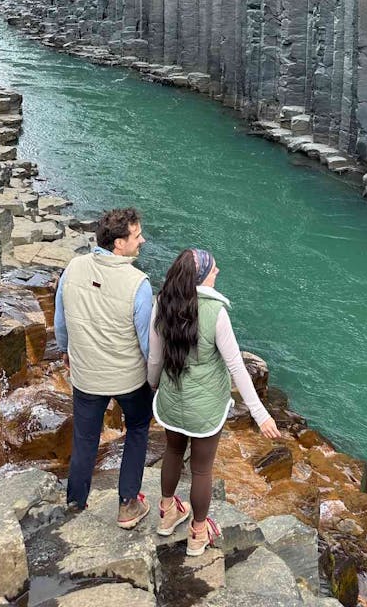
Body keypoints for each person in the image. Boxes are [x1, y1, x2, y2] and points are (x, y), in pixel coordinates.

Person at [148, 248, 281, 556]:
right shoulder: (216, 312)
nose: (218, 271)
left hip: (171, 399)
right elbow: (236, 366)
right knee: (201, 471)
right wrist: (261, 414)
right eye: (213, 268)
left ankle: (166, 514)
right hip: (205, 409)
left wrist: (153, 386)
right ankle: (197, 533)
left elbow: (155, 357)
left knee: (172, 451)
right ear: (201, 276)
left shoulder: (162, 303)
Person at [54, 206, 153, 528]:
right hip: (129, 379)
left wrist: (66, 350)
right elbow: (146, 343)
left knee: (85, 437)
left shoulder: (73, 267)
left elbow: (61, 320)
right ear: (119, 244)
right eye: (137, 236)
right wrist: (155, 377)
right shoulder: (139, 283)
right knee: (137, 429)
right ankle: (127, 505)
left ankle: (75, 502)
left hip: (86, 375)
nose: (143, 241)